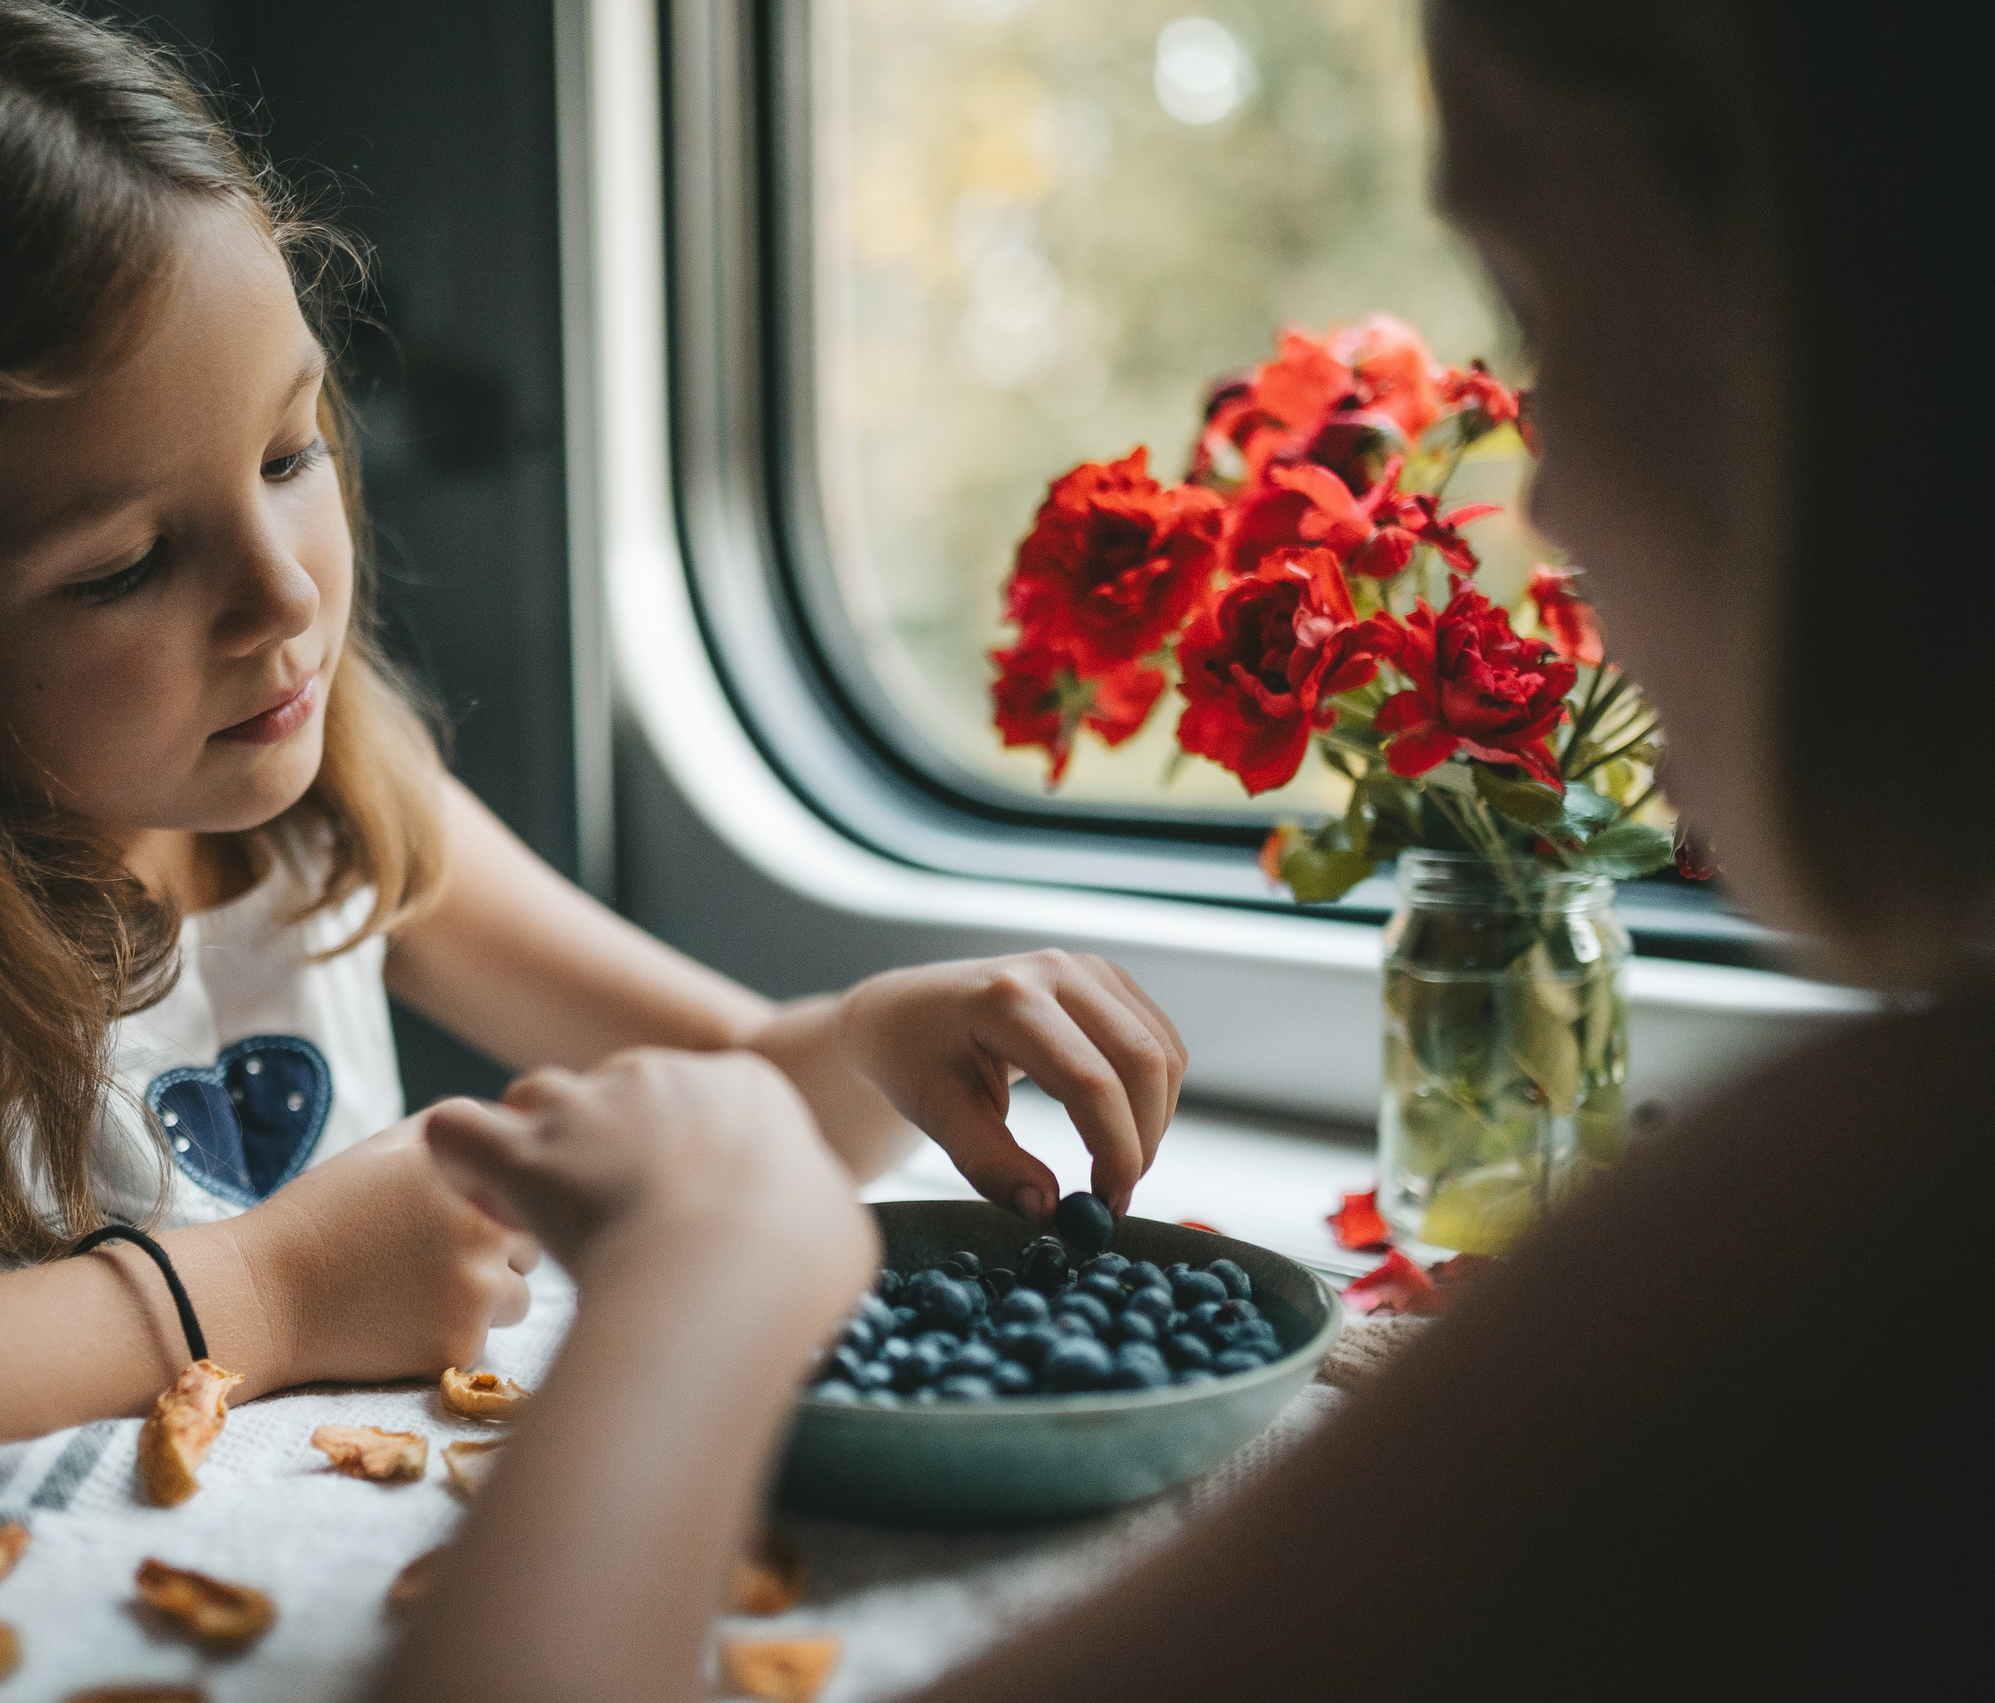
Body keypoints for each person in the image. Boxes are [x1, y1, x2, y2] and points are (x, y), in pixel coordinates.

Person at [371, 1, 1984, 1696]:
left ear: (1861, 333)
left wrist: (686, 1304)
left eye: (1541, 311)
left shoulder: (1870, 1236)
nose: (1550, 497)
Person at [0, 0, 1188, 1538]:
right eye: (125, 562)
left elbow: (717, 1096)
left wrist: (882, 1034)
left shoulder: (340, 800)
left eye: (289, 451)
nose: (286, 597)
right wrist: (257, 1294)